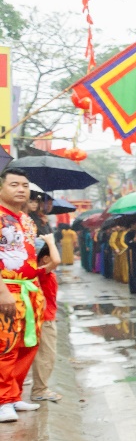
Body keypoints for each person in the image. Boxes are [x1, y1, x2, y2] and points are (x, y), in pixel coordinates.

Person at [0, 167, 47, 423]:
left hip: (31, 289)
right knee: (5, 345)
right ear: (1, 188)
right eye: (14, 184)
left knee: (27, 344)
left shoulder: (26, 220)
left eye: (25, 186)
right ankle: (2, 399)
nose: (21, 190)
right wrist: (2, 291)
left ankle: (15, 394)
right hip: (6, 290)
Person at [24, 187, 59, 404]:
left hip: (41, 307)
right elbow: (55, 260)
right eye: (33, 200)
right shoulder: (41, 269)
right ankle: (40, 388)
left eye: (38, 201)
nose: (37, 204)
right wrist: (50, 243)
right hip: (43, 311)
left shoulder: (35, 221)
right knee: (46, 350)